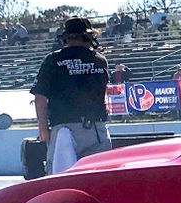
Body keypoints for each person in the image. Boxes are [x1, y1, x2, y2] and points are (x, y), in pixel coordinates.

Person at [33, 17, 118, 174]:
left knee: (59, 182)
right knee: (98, 179)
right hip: (95, 128)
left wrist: (43, 128)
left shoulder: (53, 60)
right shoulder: (100, 60)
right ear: (88, 36)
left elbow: (40, 98)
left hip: (63, 128)